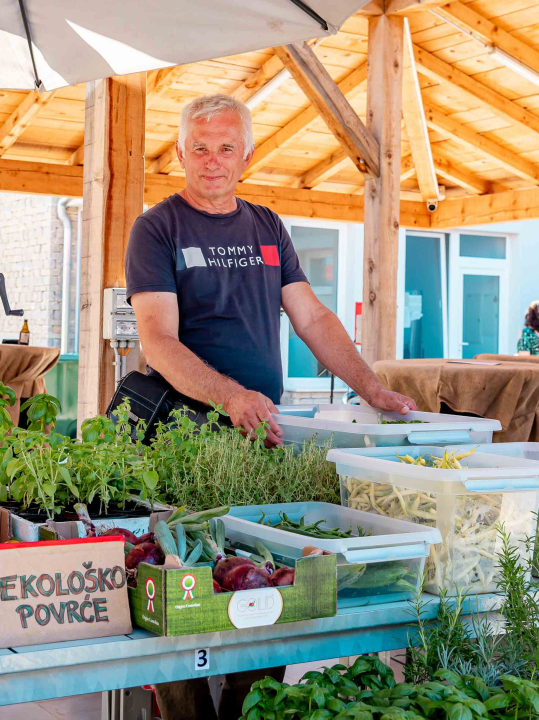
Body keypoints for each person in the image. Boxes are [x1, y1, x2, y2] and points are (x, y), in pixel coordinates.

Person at [125, 94, 418, 719]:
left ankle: (247, 708)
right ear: (179, 153)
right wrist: (230, 395)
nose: (212, 161)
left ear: (247, 155)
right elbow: (158, 340)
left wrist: (372, 386)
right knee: (186, 592)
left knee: (262, 586)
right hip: (184, 445)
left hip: (261, 442)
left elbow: (311, 316)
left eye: (226, 147)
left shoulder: (267, 227)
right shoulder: (158, 228)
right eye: (199, 148)